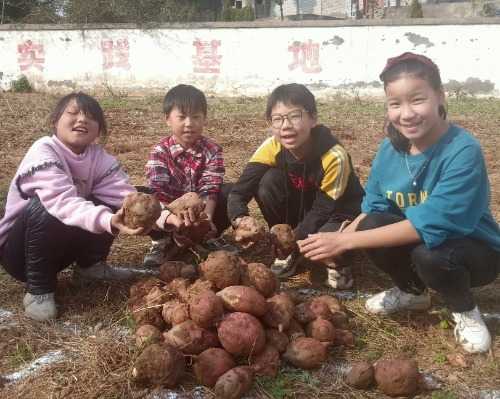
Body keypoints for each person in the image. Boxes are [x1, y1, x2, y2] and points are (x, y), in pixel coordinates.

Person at [298, 52, 500, 353]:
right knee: (371, 224)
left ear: (440, 96)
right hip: (423, 245)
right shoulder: (389, 150)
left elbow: (430, 224)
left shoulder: (462, 151)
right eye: (395, 104)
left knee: (431, 255)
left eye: (417, 100)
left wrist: (345, 242)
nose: (406, 114)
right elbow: (374, 208)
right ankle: (412, 292)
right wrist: (338, 239)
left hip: (472, 251)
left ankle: (465, 309)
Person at [0, 92, 145, 322]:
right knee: (46, 206)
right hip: (20, 254)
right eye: (73, 113)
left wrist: (167, 217)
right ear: (54, 122)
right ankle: (38, 289)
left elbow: (124, 195)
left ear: (99, 129)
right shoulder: (44, 151)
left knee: (116, 203)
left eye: (90, 117)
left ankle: (90, 267)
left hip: (60, 248)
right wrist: (107, 220)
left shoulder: (98, 158)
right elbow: (61, 202)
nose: (82, 120)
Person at [228, 83, 364, 288]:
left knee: (325, 244)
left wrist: (295, 240)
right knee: (267, 183)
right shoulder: (272, 146)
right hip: (303, 208)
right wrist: (240, 219)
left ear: (313, 118)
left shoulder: (334, 156)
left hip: (337, 212)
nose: (286, 126)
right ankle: (289, 249)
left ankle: (338, 262)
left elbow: (322, 210)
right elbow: (239, 191)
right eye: (278, 119)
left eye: (294, 116)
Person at [142, 84, 233, 267]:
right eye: (182, 117)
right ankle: (161, 241)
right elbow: (158, 191)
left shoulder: (212, 150)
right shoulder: (160, 151)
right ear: (167, 119)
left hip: (200, 215)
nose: (189, 123)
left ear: (204, 119)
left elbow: (210, 187)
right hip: (168, 215)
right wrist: (174, 221)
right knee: (144, 198)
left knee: (230, 192)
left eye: (196, 117)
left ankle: (206, 238)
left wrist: (205, 221)